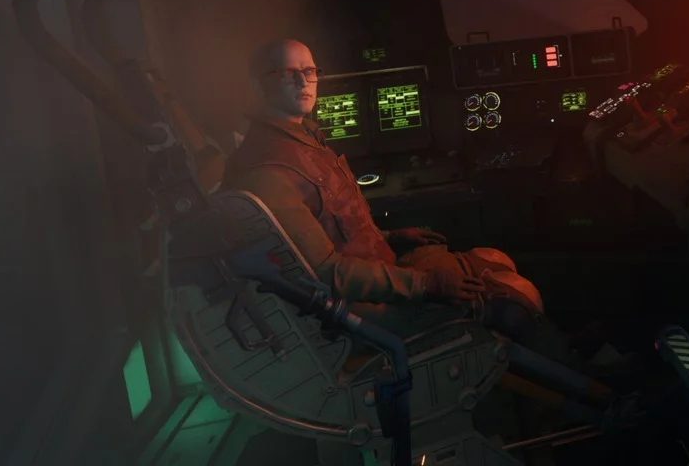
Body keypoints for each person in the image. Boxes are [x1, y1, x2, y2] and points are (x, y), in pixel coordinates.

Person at [222, 38, 586, 361]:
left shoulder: (300, 139)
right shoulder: (267, 169)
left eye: (309, 71)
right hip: (358, 311)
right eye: (286, 73)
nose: (303, 82)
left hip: (380, 270)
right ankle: (570, 378)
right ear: (256, 84)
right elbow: (325, 273)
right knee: (517, 296)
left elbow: (332, 230)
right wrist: (427, 285)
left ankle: (553, 355)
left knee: (495, 258)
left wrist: (392, 236)